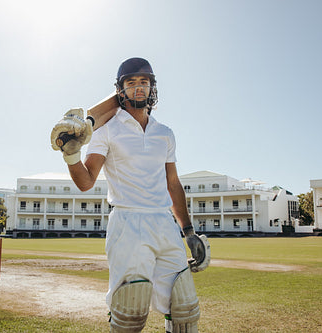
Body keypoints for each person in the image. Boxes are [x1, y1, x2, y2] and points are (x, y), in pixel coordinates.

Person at [51, 57, 210, 332]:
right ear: (120, 90)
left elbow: (173, 183)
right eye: (131, 83)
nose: (139, 88)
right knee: (130, 312)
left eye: (144, 82)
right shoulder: (106, 130)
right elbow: (86, 182)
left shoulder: (165, 133)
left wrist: (189, 231)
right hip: (127, 224)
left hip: (164, 224)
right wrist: (72, 154)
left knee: (184, 309)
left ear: (152, 88)